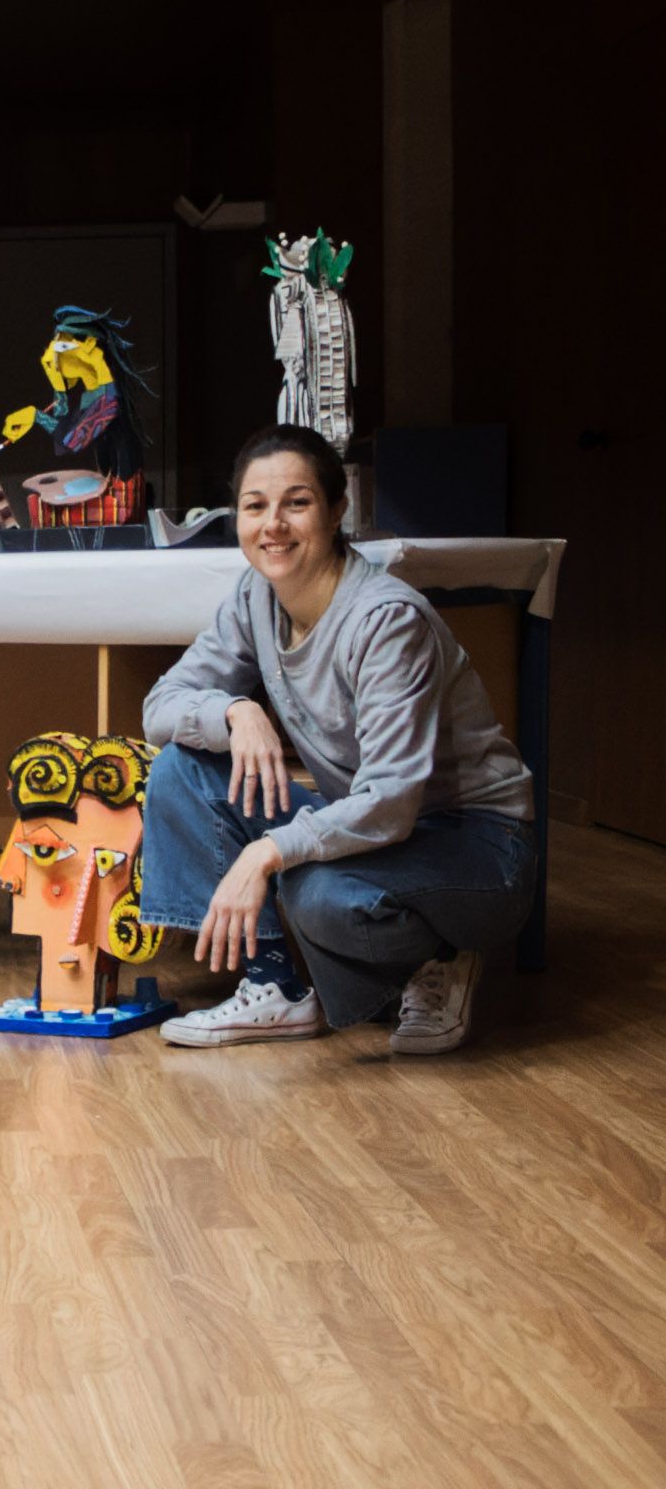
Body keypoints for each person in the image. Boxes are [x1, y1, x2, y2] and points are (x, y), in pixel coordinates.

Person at [138, 425, 536, 1055]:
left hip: (476, 842)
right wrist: (237, 711)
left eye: (296, 502)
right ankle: (276, 989)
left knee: (317, 894)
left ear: (336, 510)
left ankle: (440, 957)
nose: (273, 525)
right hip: (377, 834)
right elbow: (160, 705)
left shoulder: (384, 620)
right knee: (180, 769)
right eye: (254, 506)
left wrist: (265, 852)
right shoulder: (255, 598)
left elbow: (390, 801)